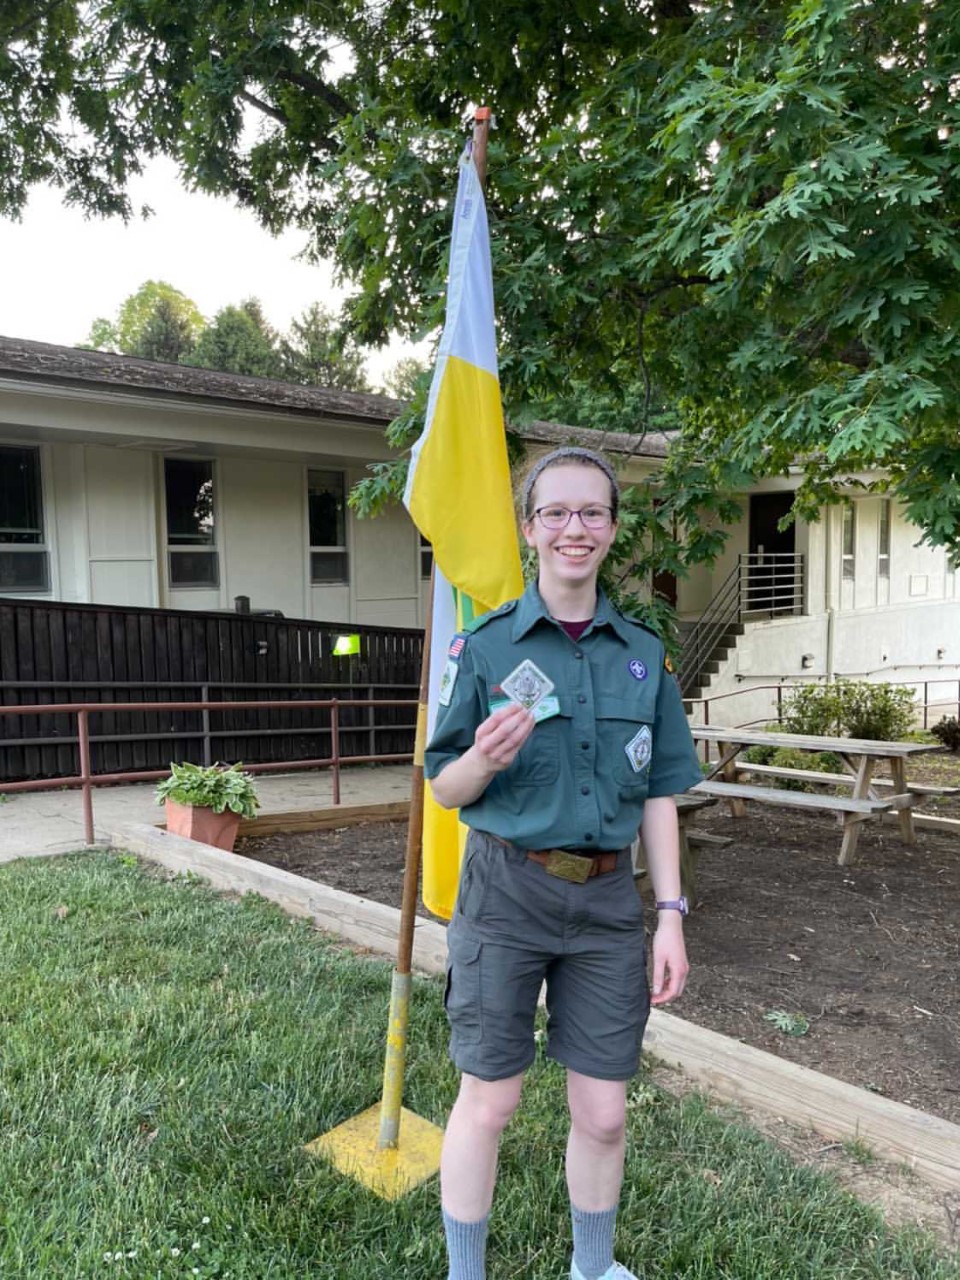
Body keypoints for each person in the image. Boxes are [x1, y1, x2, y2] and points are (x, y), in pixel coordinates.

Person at [425, 445, 703, 1280]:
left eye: (592, 513)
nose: (573, 528)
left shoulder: (643, 655)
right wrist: (483, 758)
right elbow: (446, 788)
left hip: (611, 905)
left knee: (605, 1111)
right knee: (490, 1100)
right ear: (529, 529)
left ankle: (592, 1268)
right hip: (506, 892)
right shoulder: (484, 648)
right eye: (556, 513)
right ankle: (464, 1273)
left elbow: (660, 792)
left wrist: (671, 916)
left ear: (613, 530)